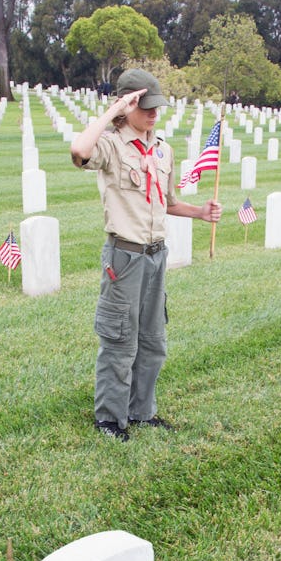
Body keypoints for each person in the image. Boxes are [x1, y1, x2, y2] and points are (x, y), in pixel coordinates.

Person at [69, 68, 222, 441]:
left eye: (157, 107)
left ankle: (141, 411)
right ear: (126, 106)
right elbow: (79, 151)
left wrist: (199, 213)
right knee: (120, 339)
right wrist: (114, 110)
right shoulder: (111, 145)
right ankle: (109, 418)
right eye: (145, 107)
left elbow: (167, 202)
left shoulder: (163, 149)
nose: (153, 114)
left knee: (153, 340)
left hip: (156, 255)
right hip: (124, 257)